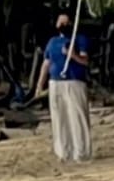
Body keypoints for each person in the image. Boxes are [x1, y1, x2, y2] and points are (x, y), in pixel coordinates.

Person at [34, 13, 92, 162]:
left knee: (77, 117)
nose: (63, 25)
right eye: (61, 22)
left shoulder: (79, 39)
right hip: (55, 83)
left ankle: (82, 152)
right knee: (60, 118)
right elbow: (46, 64)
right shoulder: (52, 42)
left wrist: (73, 56)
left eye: (66, 22)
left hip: (74, 81)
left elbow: (86, 61)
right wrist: (40, 84)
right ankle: (64, 152)